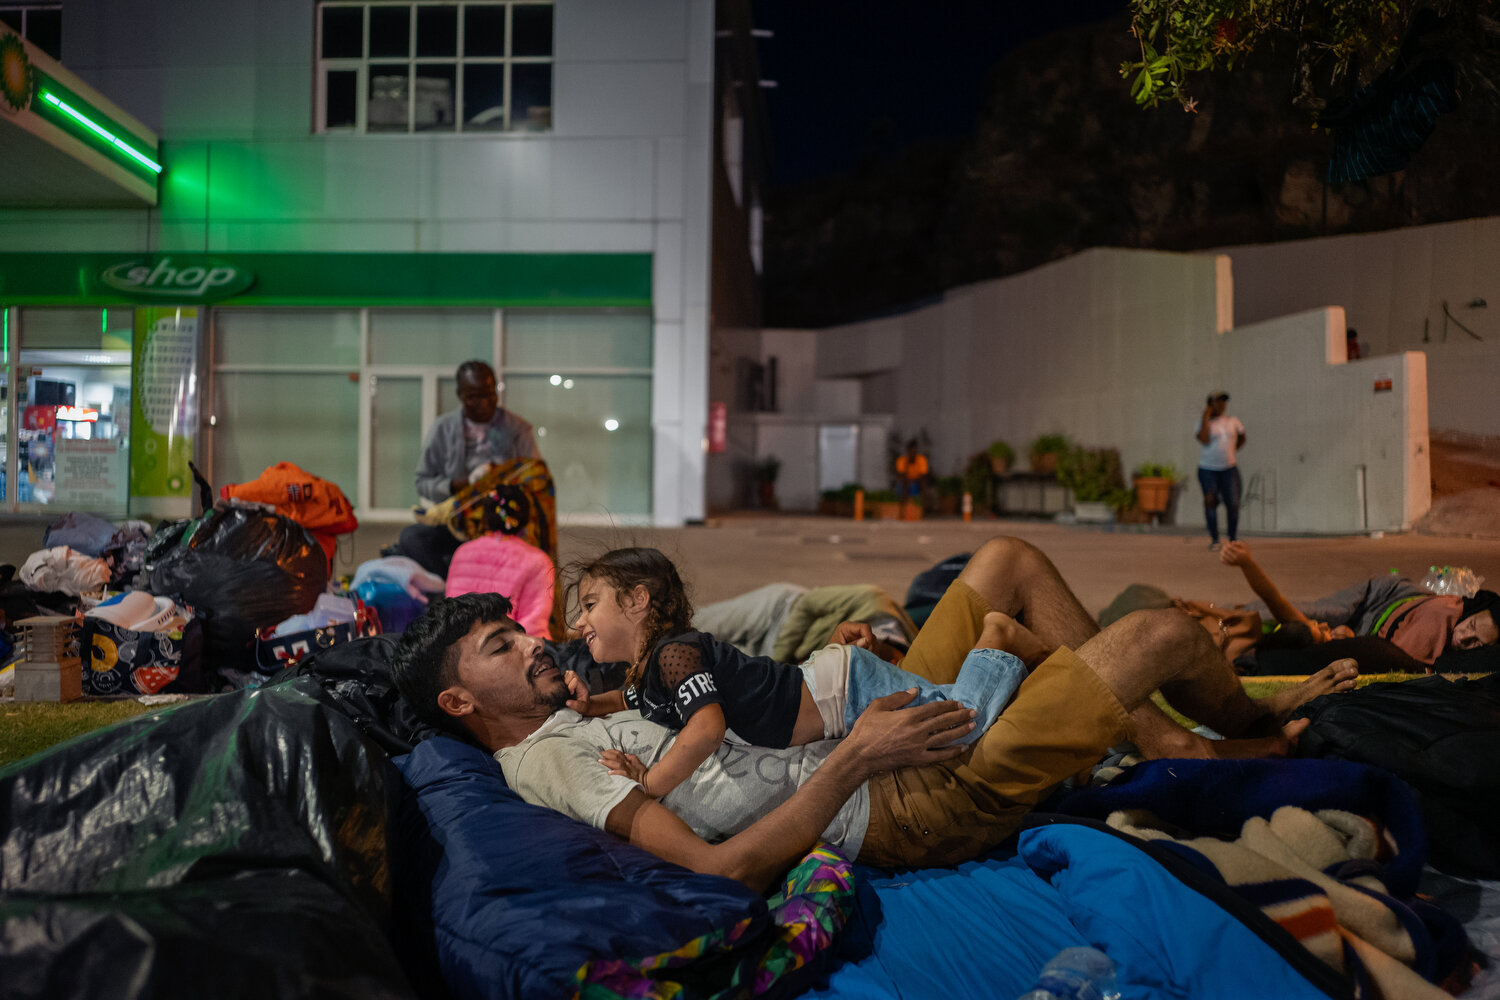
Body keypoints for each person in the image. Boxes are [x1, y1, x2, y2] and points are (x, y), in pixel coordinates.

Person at [392, 536, 1356, 890]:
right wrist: (857, 755)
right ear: (461, 701)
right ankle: (1221, 737)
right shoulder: (548, 764)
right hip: (893, 795)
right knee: (1156, 632)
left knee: (1006, 564)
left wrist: (830, 683)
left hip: (857, 730)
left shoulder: (579, 706)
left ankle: (1165, 737)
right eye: (502, 650)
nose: (536, 645)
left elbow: (699, 699)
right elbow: (723, 864)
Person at [563, 546, 1039, 800]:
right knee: (951, 703)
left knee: (963, 723)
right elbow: (634, 700)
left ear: (638, 600)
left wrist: (652, 783)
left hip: (844, 693)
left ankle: (998, 637)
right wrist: (590, 705)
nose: (578, 622)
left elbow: (707, 727)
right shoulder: (652, 669)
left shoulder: (675, 654)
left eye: (589, 605)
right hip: (828, 685)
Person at [1220, 540, 1499, 668]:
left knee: (1296, 622)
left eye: (1476, 642)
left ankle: (1235, 615)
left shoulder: (1315, 636)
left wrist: (1247, 564)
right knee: (1317, 611)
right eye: (1471, 625)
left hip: (1340, 634)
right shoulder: (1445, 613)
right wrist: (1247, 564)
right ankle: (1234, 614)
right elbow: (1279, 604)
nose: (1465, 637)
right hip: (1381, 597)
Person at [394, 360, 540, 576]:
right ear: (460, 394)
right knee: (411, 538)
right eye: (473, 397)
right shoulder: (443, 429)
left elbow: (536, 480)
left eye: (489, 394)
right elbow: (422, 481)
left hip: (505, 526)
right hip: (456, 523)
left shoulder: (518, 430)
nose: (484, 404)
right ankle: (451, 593)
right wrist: (455, 487)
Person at [1196, 390, 1245, 551]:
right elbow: (1203, 439)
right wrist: (1206, 416)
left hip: (1229, 468)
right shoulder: (1205, 423)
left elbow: (1242, 437)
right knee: (1210, 501)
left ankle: (1232, 538)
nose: (1222, 405)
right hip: (1208, 469)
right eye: (1218, 401)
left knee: (1233, 502)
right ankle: (1215, 539)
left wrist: (1232, 451)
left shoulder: (1233, 421)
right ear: (1210, 404)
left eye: (1224, 402)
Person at [894, 439, 929, 513]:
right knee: (904, 484)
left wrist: (913, 481)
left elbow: (923, 475)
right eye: (911, 451)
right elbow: (901, 475)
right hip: (905, 481)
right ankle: (902, 511)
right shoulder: (902, 460)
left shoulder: (921, 459)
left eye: (915, 451)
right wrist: (907, 464)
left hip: (917, 481)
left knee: (923, 484)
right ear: (908, 451)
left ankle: (922, 510)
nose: (913, 453)